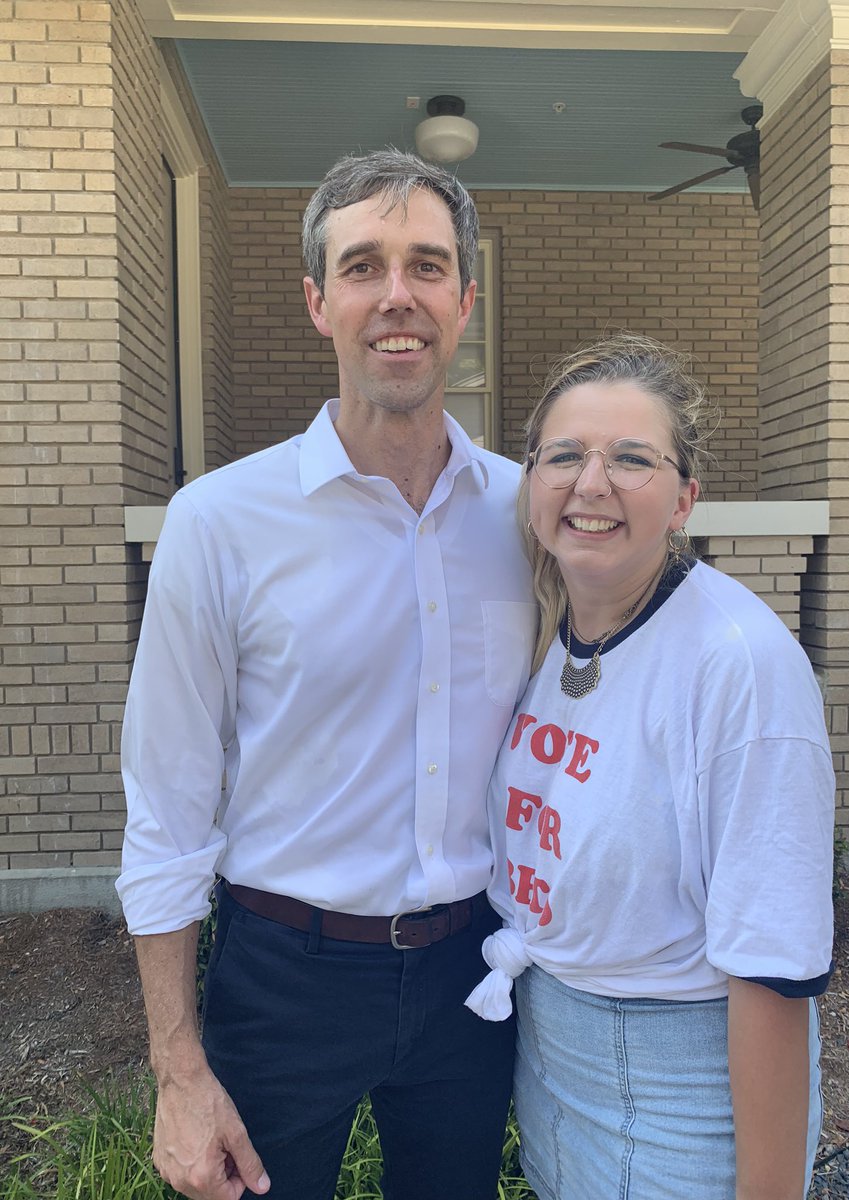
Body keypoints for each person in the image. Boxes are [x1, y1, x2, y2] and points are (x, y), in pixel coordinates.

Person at [116, 149, 536, 1200]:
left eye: (428, 265)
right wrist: (177, 1068)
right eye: (364, 266)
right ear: (318, 300)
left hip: (470, 974)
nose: (398, 295)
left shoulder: (528, 517)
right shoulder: (219, 524)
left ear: (465, 298)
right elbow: (166, 809)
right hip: (283, 975)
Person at [465, 332, 835, 1200]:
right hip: (551, 1058)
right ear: (530, 484)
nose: (592, 484)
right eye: (565, 455)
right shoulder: (556, 630)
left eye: (632, 458)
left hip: (680, 1091)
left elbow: (774, 965)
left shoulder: (737, 663)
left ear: (684, 499)